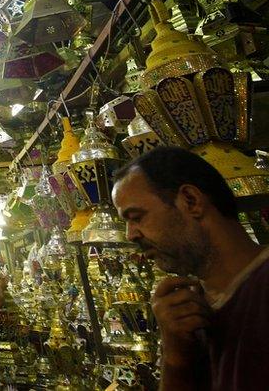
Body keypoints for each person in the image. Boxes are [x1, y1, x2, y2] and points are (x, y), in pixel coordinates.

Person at [112, 146, 269, 390]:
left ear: (191, 201)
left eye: (136, 217)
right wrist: (175, 359)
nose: (131, 235)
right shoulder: (189, 311)